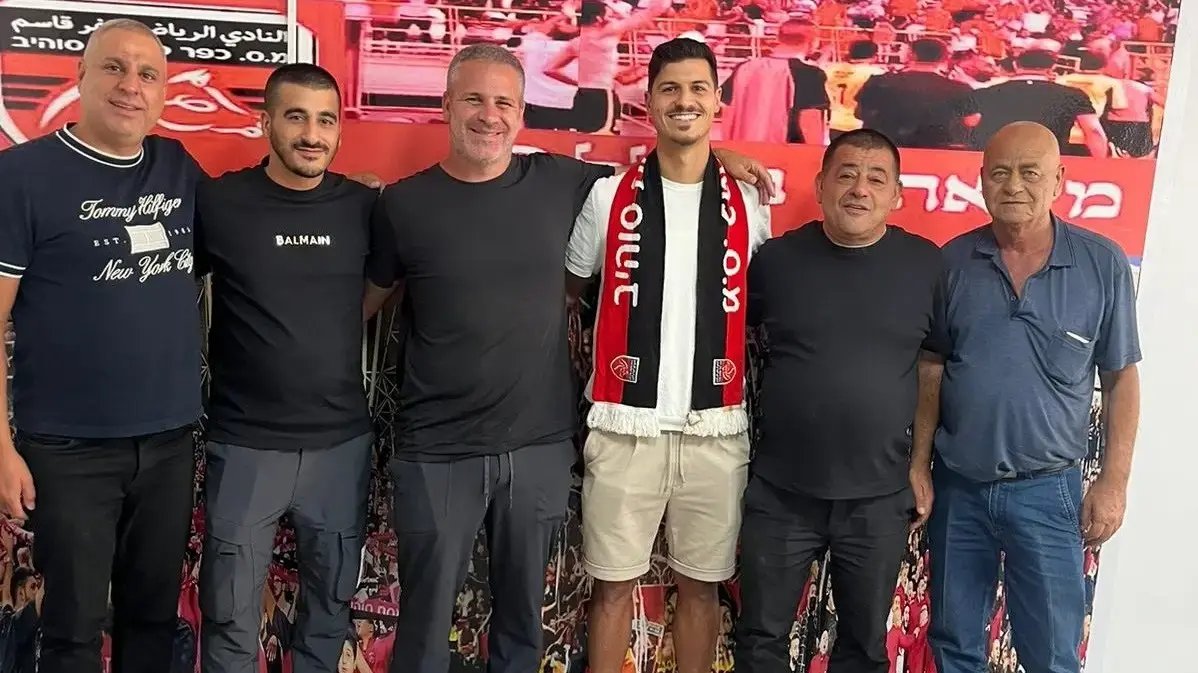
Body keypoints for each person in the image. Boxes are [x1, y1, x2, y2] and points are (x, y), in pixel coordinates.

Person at [369, 43, 772, 673]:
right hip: (493, 439)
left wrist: (722, 157)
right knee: (442, 617)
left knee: (534, 617)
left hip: (607, 437)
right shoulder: (412, 202)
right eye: (473, 99)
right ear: (445, 105)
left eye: (503, 102)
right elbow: (569, 284)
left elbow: (683, 170)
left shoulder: (725, 199)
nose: (489, 115)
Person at [0, 18, 203, 673]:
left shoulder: (178, 169)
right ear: (80, 76)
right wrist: (0, 446)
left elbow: (257, 221)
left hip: (169, 444)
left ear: (163, 91)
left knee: (152, 622)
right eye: (114, 67)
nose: (131, 85)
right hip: (69, 450)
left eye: (148, 74)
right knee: (73, 632)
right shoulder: (21, 176)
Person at [564, 37, 771, 673]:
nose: (685, 100)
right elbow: (572, 290)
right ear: (649, 102)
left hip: (715, 428)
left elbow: (759, 303)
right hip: (625, 424)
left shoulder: (748, 202)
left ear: (718, 101)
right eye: (670, 89)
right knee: (611, 589)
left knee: (701, 590)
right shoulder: (608, 196)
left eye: (698, 88)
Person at [194, 63, 396, 673]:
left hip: (340, 446)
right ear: (266, 123)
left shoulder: (364, 206)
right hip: (244, 444)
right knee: (229, 614)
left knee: (329, 612)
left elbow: (378, 287)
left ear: (339, 130)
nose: (312, 134)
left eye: (325, 120)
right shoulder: (219, 202)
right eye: (296, 117)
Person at [919, 121, 1142, 673]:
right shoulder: (951, 263)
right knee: (954, 645)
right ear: (981, 181)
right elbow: (932, 369)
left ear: (1059, 180)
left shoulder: (1102, 264)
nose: (1014, 185)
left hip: (1049, 492)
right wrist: (918, 464)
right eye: (1000, 173)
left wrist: (1113, 483)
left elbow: (1120, 379)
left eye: (1030, 172)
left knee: (1053, 654)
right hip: (960, 488)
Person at [734, 128, 944, 673]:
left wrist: (919, 462)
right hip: (781, 492)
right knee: (759, 640)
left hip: (878, 498)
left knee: (863, 648)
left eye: (876, 178)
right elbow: (733, 340)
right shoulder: (776, 260)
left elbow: (932, 366)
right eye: (846, 174)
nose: (859, 189)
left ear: (897, 195)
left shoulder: (926, 266)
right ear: (820, 185)